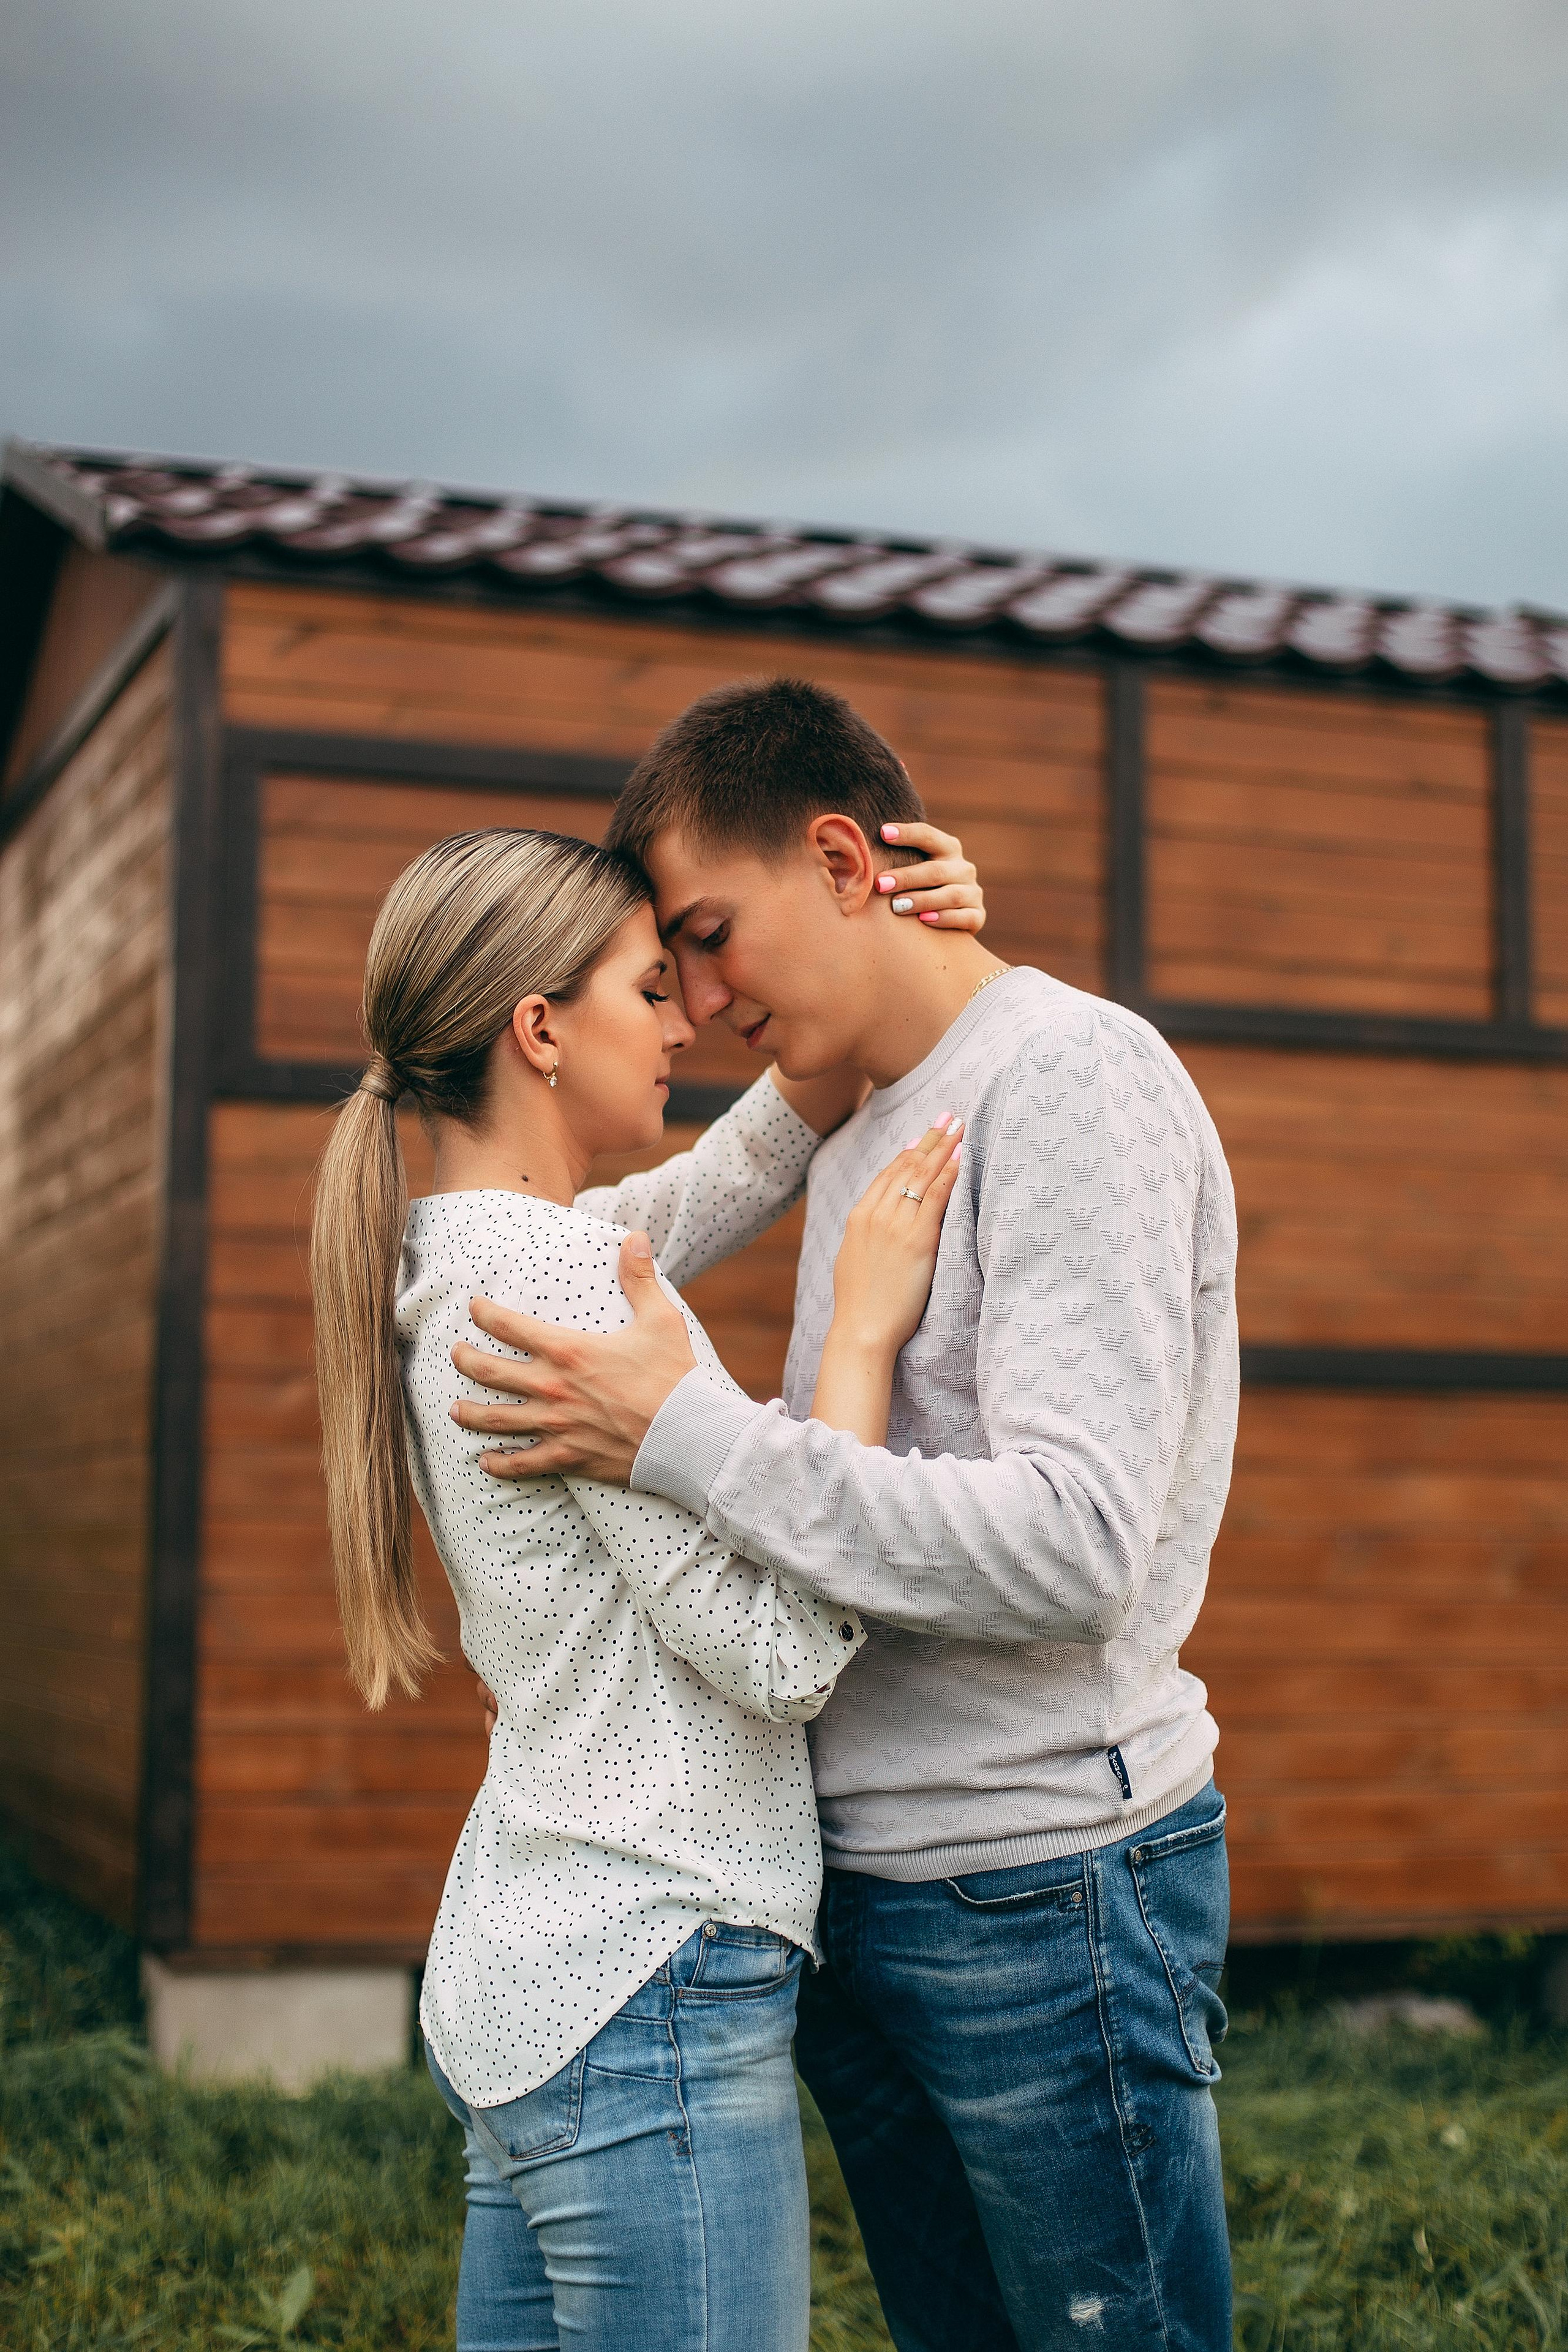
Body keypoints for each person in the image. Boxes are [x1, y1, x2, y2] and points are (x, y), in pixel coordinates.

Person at [452, 679, 1241, 2352]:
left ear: (839, 854)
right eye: (669, 971)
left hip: (1043, 1885)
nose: (703, 999)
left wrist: (688, 1438)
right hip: (860, 1900)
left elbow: (1077, 1542)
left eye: (715, 939)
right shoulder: (855, 1105)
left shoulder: (1073, 1078)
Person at [308, 821, 978, 2352]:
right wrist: (862, 1339)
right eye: (642, 987)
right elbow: (782, 1649)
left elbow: (754, 1145)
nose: (682, 1017)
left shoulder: (474, 1256)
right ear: (539, 1032)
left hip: (537, 1982)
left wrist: (899, 930)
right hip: (650, 1983)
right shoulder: (555, 1288)